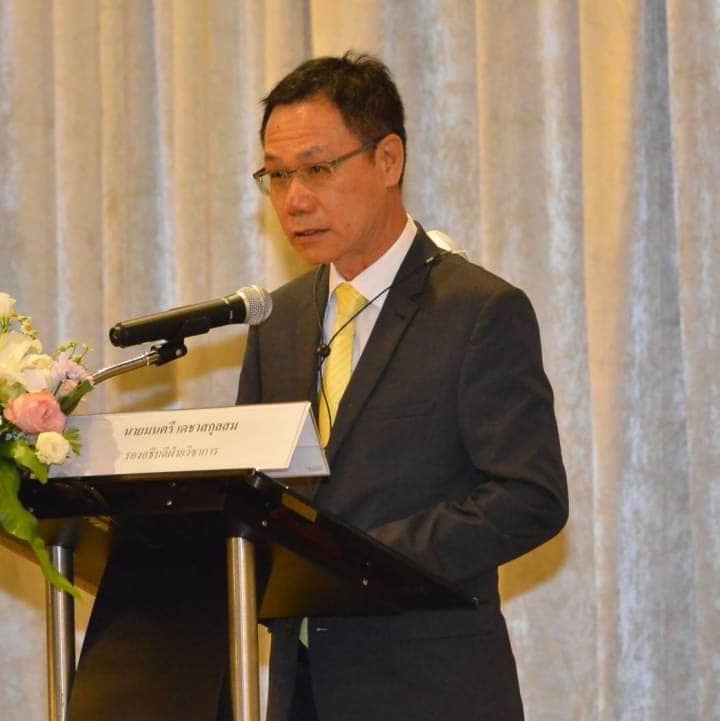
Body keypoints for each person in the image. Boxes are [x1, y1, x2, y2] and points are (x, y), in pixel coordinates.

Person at [236, 52, 569, 721]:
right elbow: (256, 493)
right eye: (277, 176)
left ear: (388, 160)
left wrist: (362, 559)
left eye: (317, 169)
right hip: (302, 692)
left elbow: (530, 497)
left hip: (431, 689)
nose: (293, 200)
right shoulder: (278, 320)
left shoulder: (477, 310)